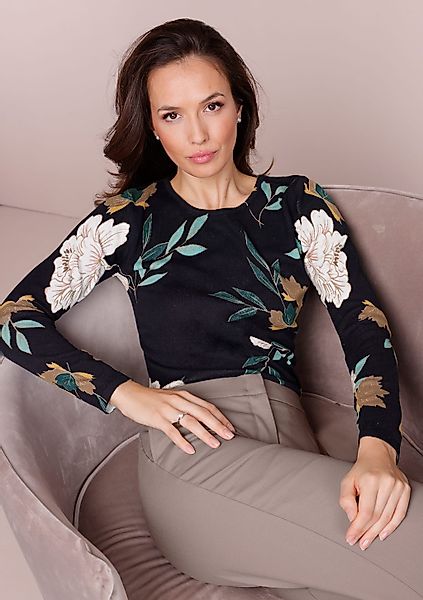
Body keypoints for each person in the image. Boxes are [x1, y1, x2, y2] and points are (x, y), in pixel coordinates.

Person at [0, 17, 421, 600]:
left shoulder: (297, 204)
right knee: (409, 537)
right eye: (172, 115)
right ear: (153, 126)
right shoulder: (131, 218)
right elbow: (14, 317)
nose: (198, 134)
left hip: (289, 436)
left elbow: (363, 326)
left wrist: (378, 447)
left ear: (240, 108)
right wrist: (128, 394)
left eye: (212, 106)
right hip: (195, 454)